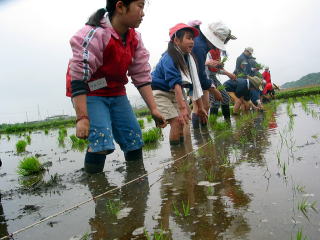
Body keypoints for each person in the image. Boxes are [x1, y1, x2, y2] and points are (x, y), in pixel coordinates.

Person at [66, 0, 166, 174]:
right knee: (101, 141)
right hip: (90, 92)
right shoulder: (94, 34)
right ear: (120, 7)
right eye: (140, 6)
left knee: (133, 138)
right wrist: (82, 117)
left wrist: (154, 108)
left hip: (116, 91)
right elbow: (79, 77)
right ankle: (96, 186)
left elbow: (141, 74)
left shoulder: (134, 38)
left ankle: (137, 185)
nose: (143, 13)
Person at [151, 23, 207, 145]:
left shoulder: (187, 59)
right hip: (160, 92)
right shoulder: (169, 57)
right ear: (176, 40)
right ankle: (178, 158)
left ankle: (182, 154)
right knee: (176, 122)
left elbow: (194, 85)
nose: (192, 41)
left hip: (174, 92)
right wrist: (182, 107)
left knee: (183, 122)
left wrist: (200, 107)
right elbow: (175, 82)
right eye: (188, 38)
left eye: (192, 38)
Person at [188, 21, 228, 129]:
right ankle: (198, 136)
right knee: (196, 108)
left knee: (205, 106)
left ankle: (204, 134)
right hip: (191, 79)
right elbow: (199, 73)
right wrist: (214, 90)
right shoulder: (200, 46)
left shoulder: (202, 43)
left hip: (197, 78)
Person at [199, 22, 237, 120]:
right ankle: (212, 124)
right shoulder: (206, 48)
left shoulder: (217, 50)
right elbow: (204, 64)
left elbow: (215, 67)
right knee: (215, 101)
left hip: (212, 76)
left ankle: (226, 124)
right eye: (225, 39)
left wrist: (226, 72)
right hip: (206, 77)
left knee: (225, 98)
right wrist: (226, 72)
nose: (225, 41)